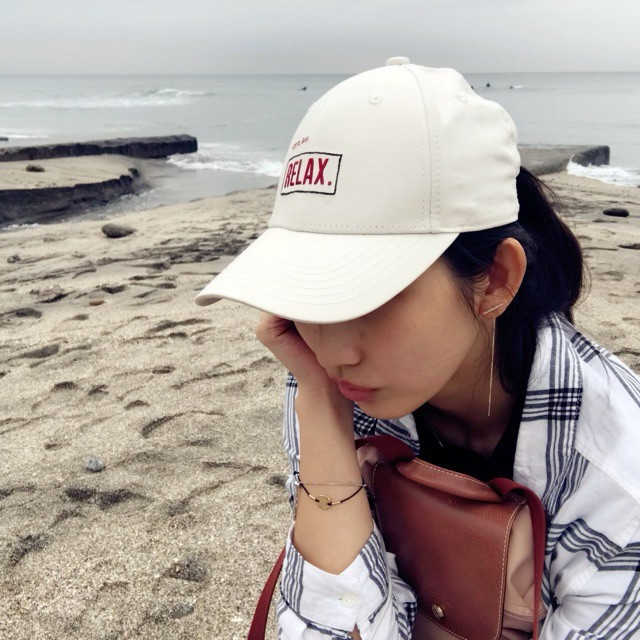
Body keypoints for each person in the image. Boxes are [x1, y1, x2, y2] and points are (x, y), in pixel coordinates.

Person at [194, 58, 640, 639]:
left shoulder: (615, 470)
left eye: (372, 297)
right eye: (311, 294)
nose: (334, 351)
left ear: (495, 280)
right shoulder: (326, 380)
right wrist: (322, 418)